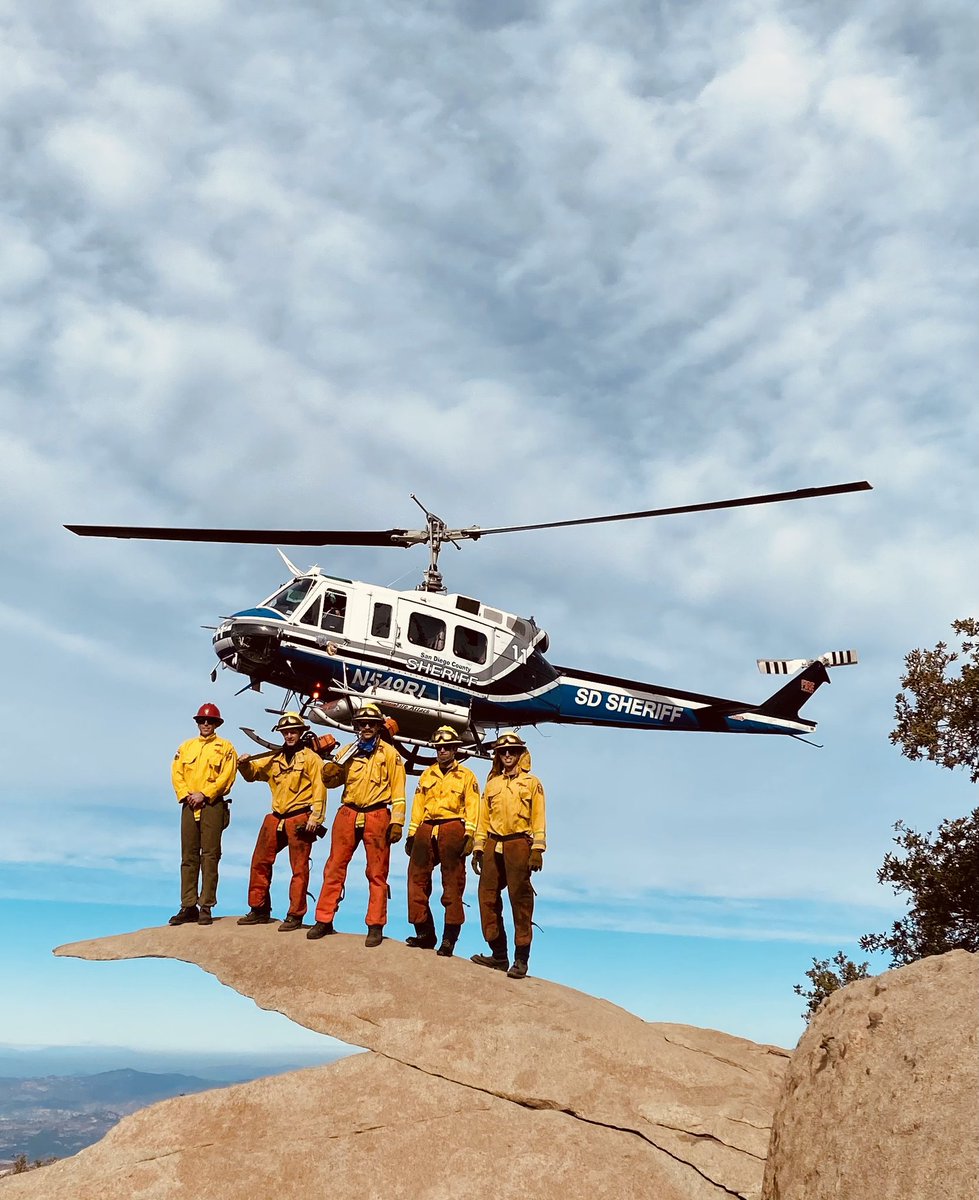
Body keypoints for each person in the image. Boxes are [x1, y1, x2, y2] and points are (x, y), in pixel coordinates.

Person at [307, 702, 406, 948]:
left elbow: (399, 793)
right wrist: (329, 771)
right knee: (334, 867)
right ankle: (324, 919)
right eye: (362, 724)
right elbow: (332, 780)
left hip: (377, 814)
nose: (367, 727)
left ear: (379, 727)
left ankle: (375, 925)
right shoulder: (349, 751)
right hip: (348, 813)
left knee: (377, 872)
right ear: (357, 727)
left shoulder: (390, 755)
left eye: (371, 724)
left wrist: (397, 822)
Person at [236, 712, 328, 931]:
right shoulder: (274, 758)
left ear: (300, 732)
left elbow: (320, 790)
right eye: (285, 732)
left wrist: (316, 818)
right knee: (260, 861)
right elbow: (253, 775)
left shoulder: (311, 759)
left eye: (293, 731)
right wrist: (243, 765)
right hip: (276, 817)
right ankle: (258, 909)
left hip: (300, 817)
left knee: (299, 868)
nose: (289, 735)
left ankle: (295, 915)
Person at [471, 731, 546, 979]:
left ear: (520, 754)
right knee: (487, 897)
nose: (507, 755)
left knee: (520, 900)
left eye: (512, 751)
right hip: (493, 842)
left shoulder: (532, 783)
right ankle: (498, 955)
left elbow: (538, 817)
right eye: (502, 752)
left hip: (518, 842)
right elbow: (483, 818)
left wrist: (537, 849)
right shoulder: (492, 784)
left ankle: (521, 959)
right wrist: (478, 848)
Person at [404, 725, 480, 957]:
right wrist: (412, 832)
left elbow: (473, 806)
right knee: (415, 880)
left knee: (453, 883)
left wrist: (470, 835)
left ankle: (449, 939)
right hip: (427, 828)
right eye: (439, 748)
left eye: (447, 747)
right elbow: (418, 805)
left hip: (453, 827)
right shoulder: (428, 774)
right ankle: (425, 932)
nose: (442, 751)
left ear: (455, 749)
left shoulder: (466, 776)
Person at [169, 703, 238, 927]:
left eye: (209, 721)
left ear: (216, 723)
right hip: (189, 804)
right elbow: (176, 772)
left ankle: (205, 905)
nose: (205, 724)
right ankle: (188, 905)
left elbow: (227, 777)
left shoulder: (226, 748)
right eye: (201, 720)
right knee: (188, 856)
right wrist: (185, 794)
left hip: (212, 805)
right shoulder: (186, 746)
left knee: (210, 855)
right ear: (197, 723)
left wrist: (205, 794)